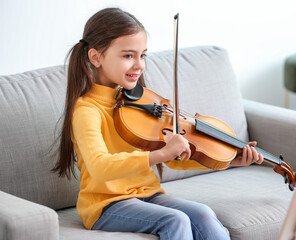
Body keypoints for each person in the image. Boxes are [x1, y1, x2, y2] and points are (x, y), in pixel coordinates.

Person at [52, 7, 264, 240]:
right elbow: (100, 167)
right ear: (96, 57)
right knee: (176, 219)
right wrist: (160, 155)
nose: (139, 65)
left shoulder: (140, 101)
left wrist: (228, 161)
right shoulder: (87, 110)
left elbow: (177, 159)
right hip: (107, 204)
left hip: (149, 194)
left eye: (142, 55)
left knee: (203, 213)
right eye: (128, 56)